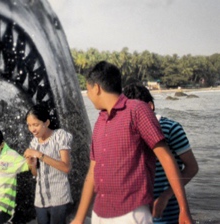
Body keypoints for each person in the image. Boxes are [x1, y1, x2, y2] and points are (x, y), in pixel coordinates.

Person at [71, 61, 193, 224]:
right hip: (100, 214)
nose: (88, 95)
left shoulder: (137, 110)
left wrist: (184, 209)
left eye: (88, 89)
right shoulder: (100, 121)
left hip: (131, 213)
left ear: (97, 88)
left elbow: (166, 158)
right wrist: (79, 218)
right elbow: (93, 172)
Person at [123, 83, 199, 224]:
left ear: (150, 106)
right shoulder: (125, 132)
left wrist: (166, 196)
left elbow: (192, 167)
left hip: (167, 212)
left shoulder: (170, 129)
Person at [22, 104, 73, 224]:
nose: (32, 129)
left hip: (59, 198)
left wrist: (40, 155)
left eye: (36, 124)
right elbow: (35, 174)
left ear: (47, 123)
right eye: (29, 125)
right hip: (40, 200)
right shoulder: (34, 143)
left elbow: (66, 167)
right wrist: (32, 165)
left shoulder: (60, 136)